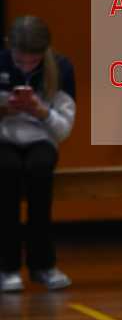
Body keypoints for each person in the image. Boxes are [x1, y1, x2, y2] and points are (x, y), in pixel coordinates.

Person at [0, 16, 76, 291]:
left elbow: (63, 129)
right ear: (9, 47)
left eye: (33, 61)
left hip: (41, 138)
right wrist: (6, 109)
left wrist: (41, 111)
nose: (26, 67)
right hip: (4, 138)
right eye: (20, 61)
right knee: (6, 174)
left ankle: (43, 265)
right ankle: (7, 268)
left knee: (40, 172)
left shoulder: (62, 68)